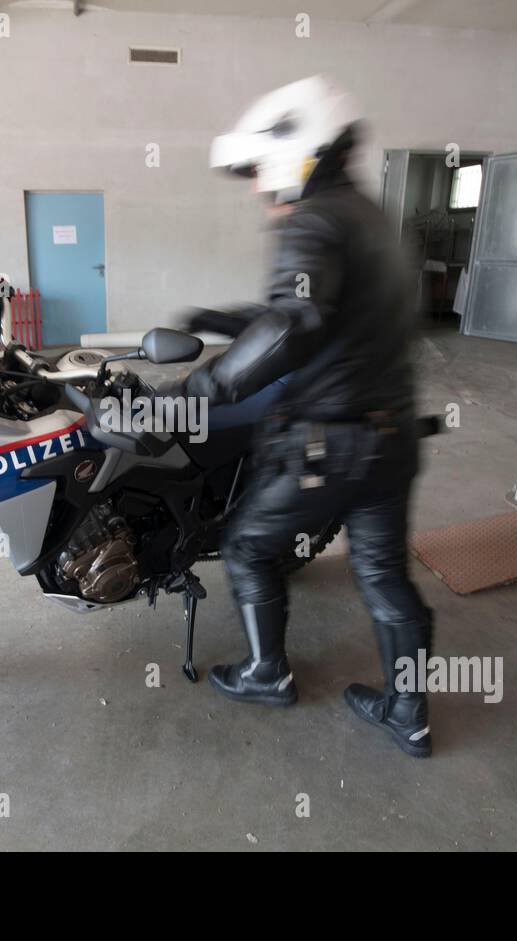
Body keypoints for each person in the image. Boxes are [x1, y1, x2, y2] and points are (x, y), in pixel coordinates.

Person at [181, 75, 434, 758]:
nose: (262, 190)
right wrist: (229, 318)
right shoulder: (374, 218)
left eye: (263, 171)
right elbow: (335, 314)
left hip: (333, 441)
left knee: (245, 547)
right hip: (395, 433)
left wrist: (208, 384)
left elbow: (297, 321)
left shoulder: (316, 220)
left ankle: (269, 672)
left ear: (299, 152)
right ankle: (408, 712)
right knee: (383, 574)